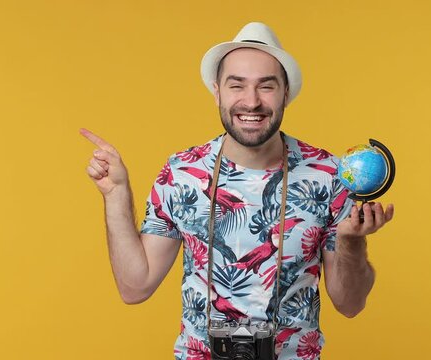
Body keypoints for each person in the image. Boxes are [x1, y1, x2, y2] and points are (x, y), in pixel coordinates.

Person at [81, 22, 394, 360]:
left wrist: (351, 240)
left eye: (266, 86)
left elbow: (350, 304)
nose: (251, 101)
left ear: (286, 93)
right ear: (217, 91)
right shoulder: (183, 173)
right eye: (237, 85)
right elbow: (134, 287)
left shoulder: (329, 175)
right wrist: (116, 195)